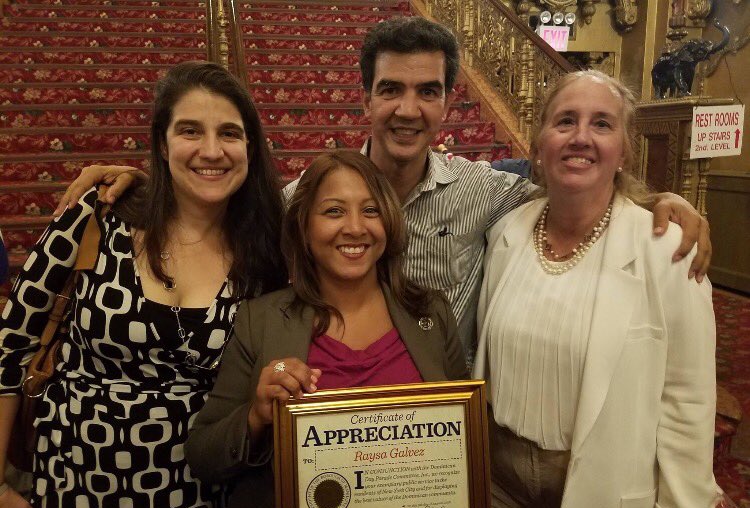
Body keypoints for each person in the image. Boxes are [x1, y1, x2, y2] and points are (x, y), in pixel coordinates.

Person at [53, 17, 711, 367]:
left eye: (428, 91)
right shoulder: (303, 200)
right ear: (365, 98)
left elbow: (574, 176)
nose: (408, 109)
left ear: (448, 102)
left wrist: (655, 201)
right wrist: (144, 180)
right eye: (391, 89)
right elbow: (219, 201)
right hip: (331, 412)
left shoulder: (488, 192)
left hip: (439, 419)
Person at [0, 61, 287, 508]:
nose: (211, 150)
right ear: (162, 143)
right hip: (75, 494)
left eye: (230, 133)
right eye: (190, 131)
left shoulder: (268, 253)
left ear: (251, 148)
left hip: (202, 506)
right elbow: (10, 345)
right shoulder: (97, 216)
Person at [474, 70, 716, 508]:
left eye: (602, 124)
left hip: (603, 486)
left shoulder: (666, 249)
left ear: (623, 150)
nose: (580, 137)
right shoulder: (506, 233)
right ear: (539, 145)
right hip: (504, 484)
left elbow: (688, 399)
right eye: (565, 121)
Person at [184, 150, 466, 508]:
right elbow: (203, 456)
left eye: (370, 210)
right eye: (334, 211)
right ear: (303, 226)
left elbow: (464, 441)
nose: (355, 227)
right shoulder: (260, 320)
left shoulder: (431, 314)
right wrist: (257, 416)